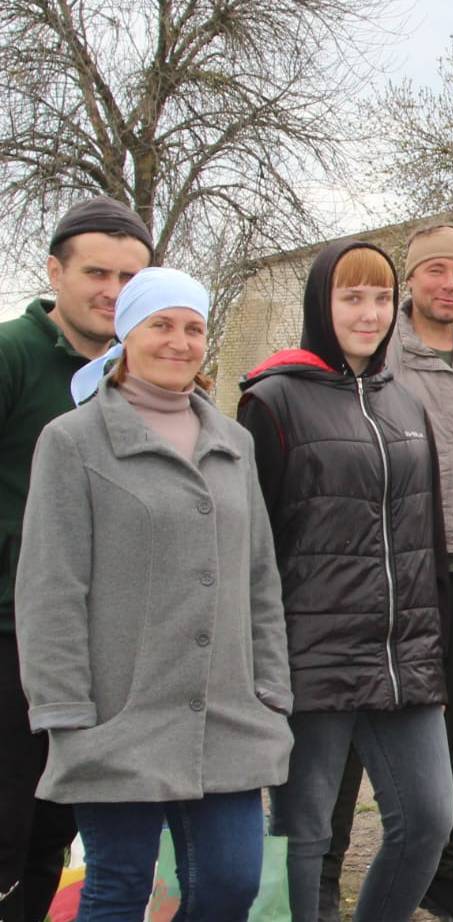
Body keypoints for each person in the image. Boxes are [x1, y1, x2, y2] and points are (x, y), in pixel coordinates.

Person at [17, 268, 294, 921]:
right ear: (127, 335)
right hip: (117, 713)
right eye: (160, 324)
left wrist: (271, 689)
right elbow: (51, 586)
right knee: (119, 886)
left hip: (226, 710)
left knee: (232, 881)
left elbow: (259, 577)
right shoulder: (73, 441)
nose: (179, 341)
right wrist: (65, 709)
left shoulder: (234, 443)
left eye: (193, 328)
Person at [238, 241, 453, 922]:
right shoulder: (272, 401)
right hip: (310, 657)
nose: (369, 313)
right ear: (320, 303)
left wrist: (434, 644)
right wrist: (259, 663)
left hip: (402, 658)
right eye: (352, 297)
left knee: (428, 821)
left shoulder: (406, 404)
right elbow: (252, 544)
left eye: (382, 298)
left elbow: (427, 536)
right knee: (303, 835)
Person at [326, 223, 453, 922]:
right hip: (392, 565)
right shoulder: (378, 349)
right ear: (412, 280)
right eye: (436, 271)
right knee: (357, 717)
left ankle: (444, 869)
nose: (449, 286)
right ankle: (326, 870)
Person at [0, 196, 150, 922]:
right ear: (55, 272)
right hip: (11, 636)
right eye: (97, 272)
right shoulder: (12, 356)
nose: (112, 292)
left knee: (55, 834)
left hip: (103, 647)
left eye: (129, 277)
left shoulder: (143, 373)